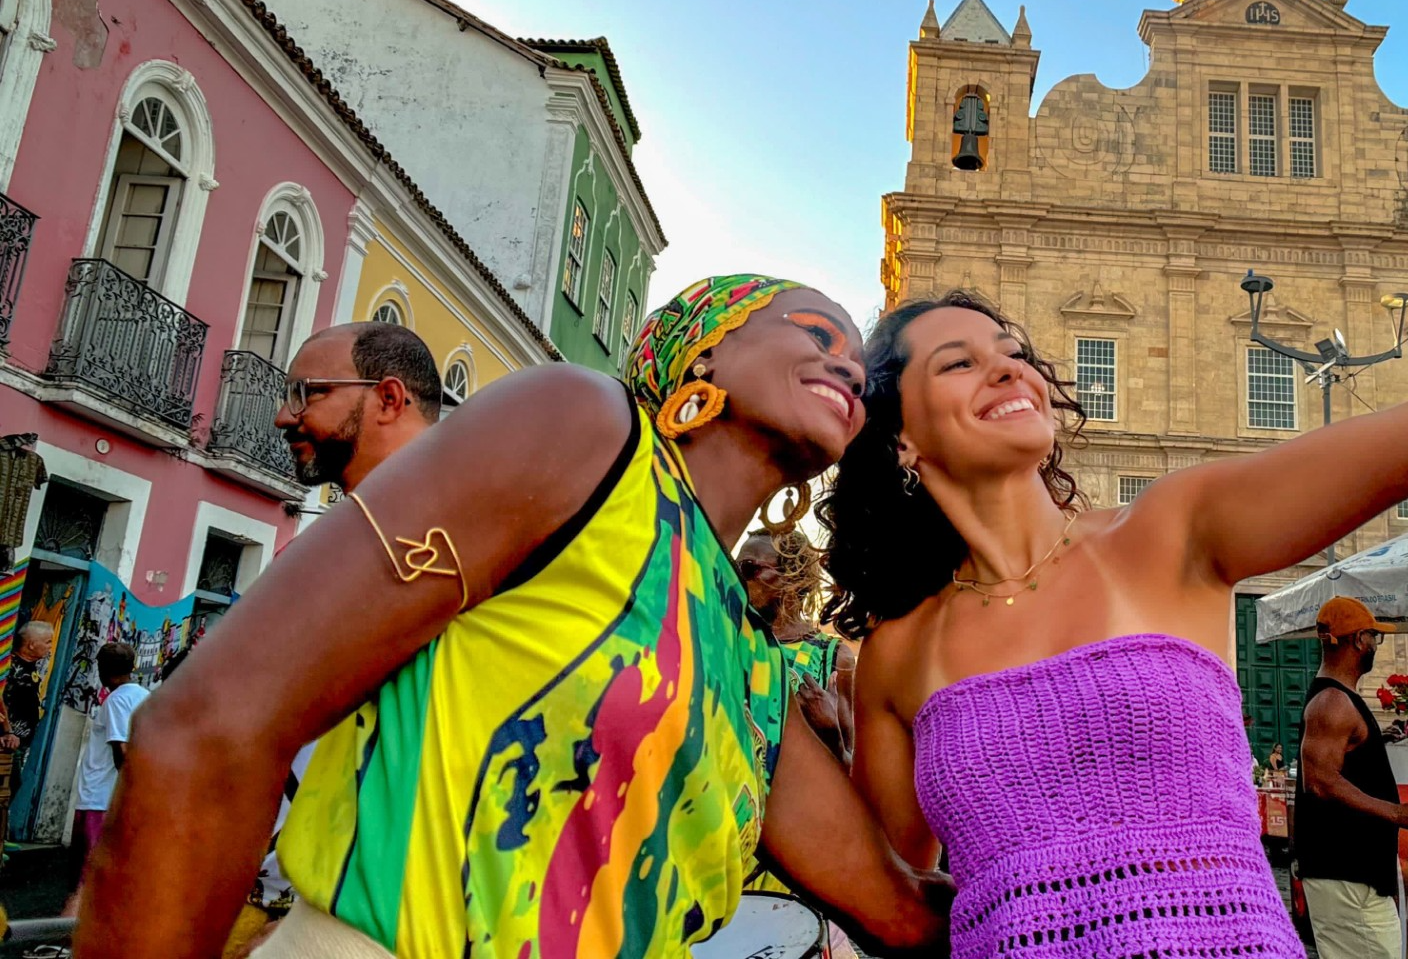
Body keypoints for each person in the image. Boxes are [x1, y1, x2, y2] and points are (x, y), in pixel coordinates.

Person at [820, 0, 1408, 957]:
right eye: (959, 363)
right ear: (901, 438)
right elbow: (894, 901)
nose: (1011, 367)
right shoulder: (901, 653)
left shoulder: (1170, 531)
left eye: (1014, 349)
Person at [75, 276, 947, 958]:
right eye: (814, 333)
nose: (845, 366)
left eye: (857, 367)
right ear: (705, 350)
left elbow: (902, 912)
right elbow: (206, 729)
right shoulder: (583, 428)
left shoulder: (747, 664)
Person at [215, 322, 448, 958]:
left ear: (389, 399)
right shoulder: (376, 530)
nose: (283, 416)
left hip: (385, 916)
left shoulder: (430, 533)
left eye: (306, 393)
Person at [1295, 598, 1408, 959]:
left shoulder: (1340, 701)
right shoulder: (1332, 702)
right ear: (1359, 640)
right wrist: (1398, 813)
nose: (1376, 646)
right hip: (1346, 874)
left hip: (1355, 876)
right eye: (1375, 637)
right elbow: (1319, 781)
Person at [275, 320, 444, 490]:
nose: (282, 419)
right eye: (287, 396)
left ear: (389, 400)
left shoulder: (456, 510)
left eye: (310, 392)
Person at [738, 528, 857, 765]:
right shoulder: (730, 638)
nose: (738, 577)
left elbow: (852, 767)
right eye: (733, 567)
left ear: (793, 577)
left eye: (749, 568)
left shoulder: (830, 657)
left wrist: (830, 733)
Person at [65, 642, 147, 916]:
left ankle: (66, 940)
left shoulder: (116, 701)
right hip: (116, 800)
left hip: (99, 798)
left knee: (86, 877)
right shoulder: (145, 696)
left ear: (102, 670)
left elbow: (120, 749)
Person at [0, 620, 56, 829]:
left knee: (11, 787)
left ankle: (3, 837)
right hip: (8, 741)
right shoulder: (11, 668)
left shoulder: (31, 667)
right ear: (31, 644)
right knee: (10, 784)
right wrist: (8, 731)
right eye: (47, 642)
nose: (50, 647)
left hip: (21, 740)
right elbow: (2, 701)